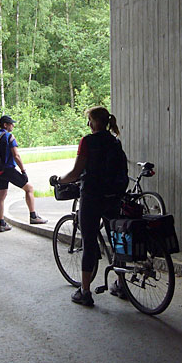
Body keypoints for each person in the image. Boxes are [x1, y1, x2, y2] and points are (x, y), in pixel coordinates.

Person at [50, 106, 127, 306]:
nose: (88, 124)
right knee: (116, 237)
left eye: (90, 120)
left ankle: (85, 291)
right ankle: (121, 284)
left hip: (92, 197)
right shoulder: (114, 142)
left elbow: (76, 172)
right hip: (113, 196)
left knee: (89, 243)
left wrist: (59, 179)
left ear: (95, 122)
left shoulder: (88, 141)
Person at [0, 115, 47, 232]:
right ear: (5, 125)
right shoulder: (8, 136)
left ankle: (2, 223)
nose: (13, 125)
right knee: (29, 188)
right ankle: (33, 216)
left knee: (1, 196)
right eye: (11, 123)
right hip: (9, 169)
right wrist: (23, 171)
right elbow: (16, 155)